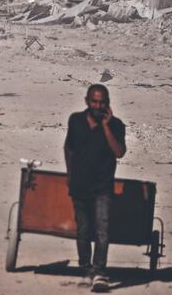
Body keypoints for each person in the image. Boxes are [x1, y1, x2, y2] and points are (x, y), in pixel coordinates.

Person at [64, 85, 126, 293]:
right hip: (80, 186)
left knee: (102, 231)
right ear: (87, 101)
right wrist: (70, 176)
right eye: (94, 102)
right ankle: (86, 269)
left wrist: (107, 127)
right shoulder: (76, 121)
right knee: (83, 230)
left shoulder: (117, 125)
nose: (98, 106)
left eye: (102, 102)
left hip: (103, 187)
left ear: (107, 103)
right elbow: (69, 149)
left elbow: (118, 152)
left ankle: (99, 272)